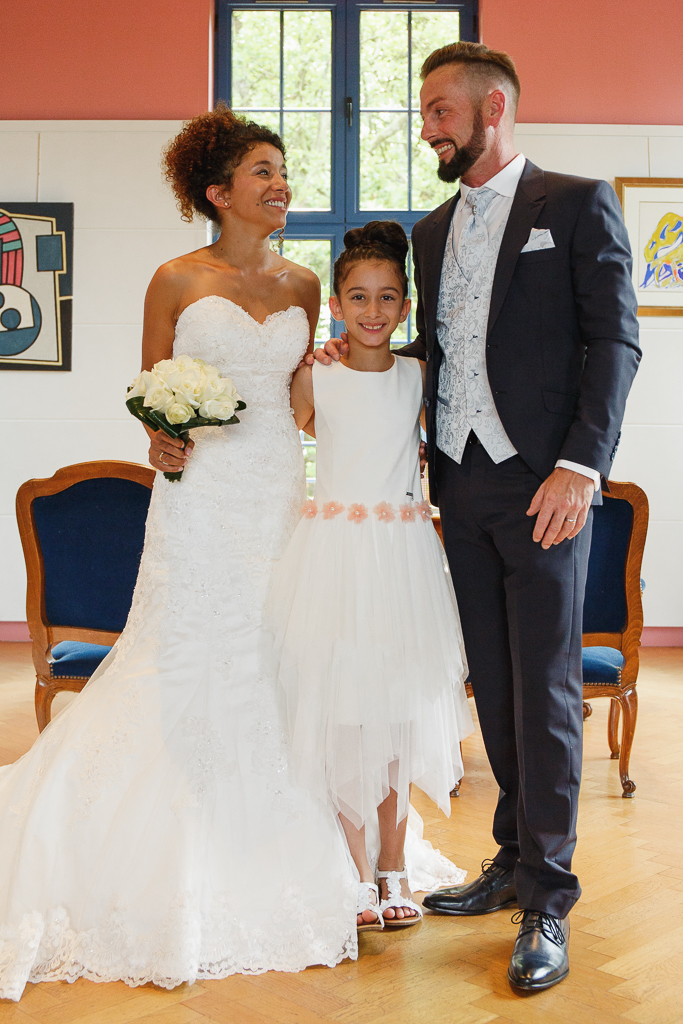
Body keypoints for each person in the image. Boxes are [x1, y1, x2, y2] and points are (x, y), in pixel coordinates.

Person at [0, 106, 359, 1002]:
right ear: (218, 191)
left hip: (275, 483)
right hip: (197, 495)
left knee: (270, 644)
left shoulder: (307, 284)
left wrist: (350, 386)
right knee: (187, 644)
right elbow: (151, 389)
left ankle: (279, 823)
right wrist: (161, 435)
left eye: (284, 172)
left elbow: (304, 403)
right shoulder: (172, 278)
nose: (283, 186)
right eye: (265, 173)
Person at [315, 43, 640, 991]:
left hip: (545, 488)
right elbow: (444, 343)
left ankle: (546, 894)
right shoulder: (428, 229)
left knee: (543, 689)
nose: (425, 128)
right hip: (456, 492)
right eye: (424, 114)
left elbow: (611, 340)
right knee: (490, 684)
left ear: (491, 107)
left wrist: (581, 466)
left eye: (437, 112)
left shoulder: (575, 203)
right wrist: (353, 359)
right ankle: (508, 853)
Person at [266, 221, 473, 931]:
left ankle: (393, 866)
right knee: (339, 713)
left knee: (391, 715)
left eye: (388, 297)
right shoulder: (311, 375)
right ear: (335, 305)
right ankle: (354, 871)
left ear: (406, 308)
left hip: (402, 563)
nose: (373, 311)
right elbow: (274, 454)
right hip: (330, 562)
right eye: (358, 297)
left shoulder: (418, 376)